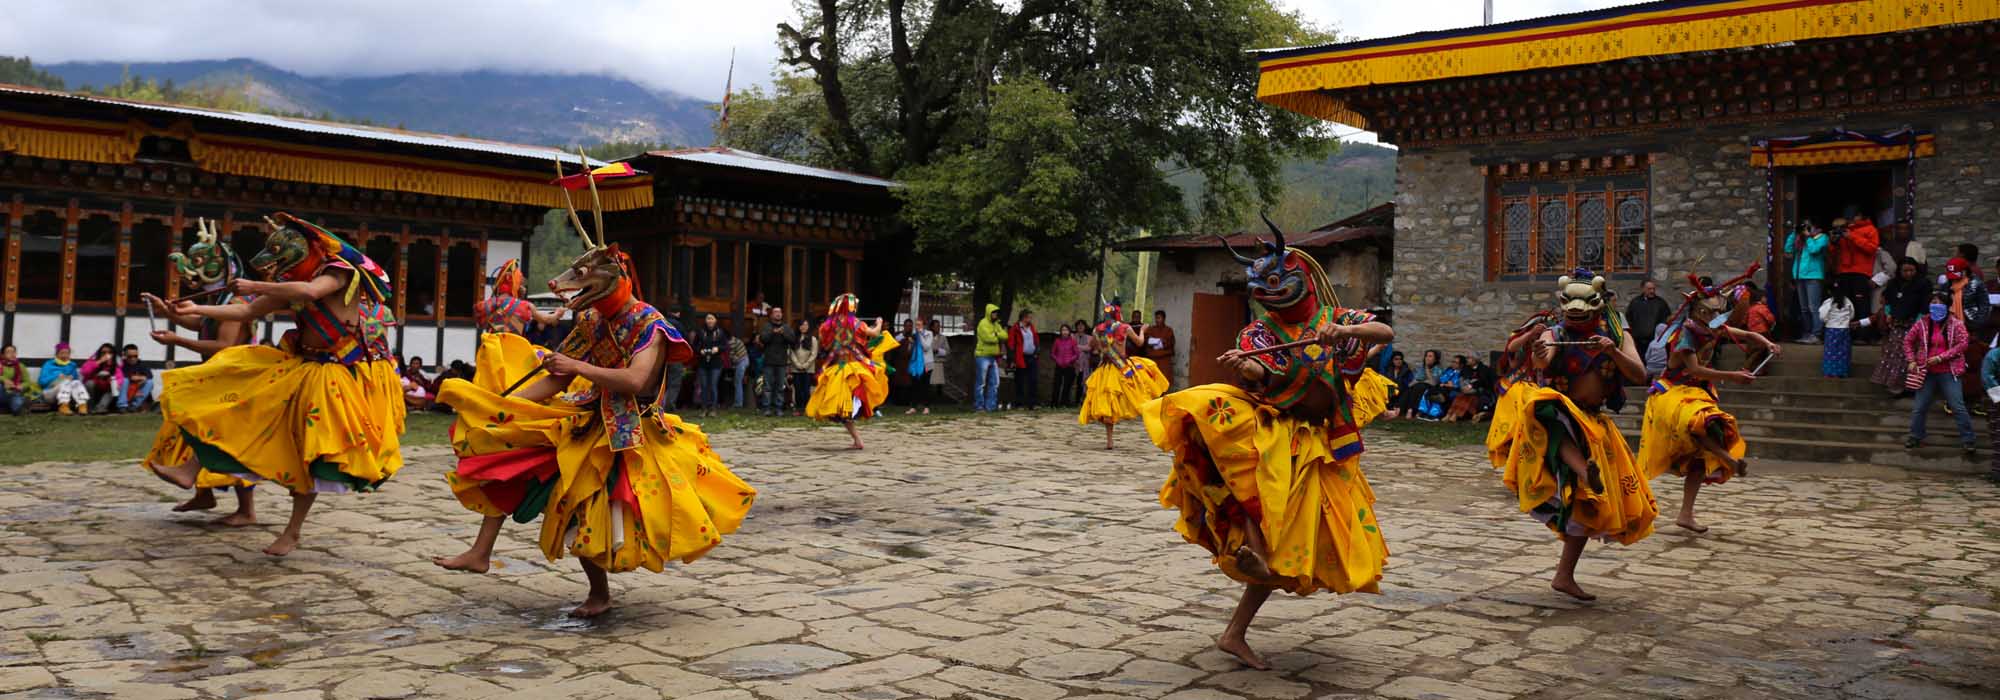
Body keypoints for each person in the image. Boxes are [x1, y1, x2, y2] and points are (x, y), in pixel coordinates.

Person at [432, 235, 754, 618]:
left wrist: (578, 368)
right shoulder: (591, 320)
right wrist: (506, 407)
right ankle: (481, 552)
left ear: (611, 277)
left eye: (580, 277)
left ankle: (599, 593)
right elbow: (558, 376)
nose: (563, 285)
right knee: (514, 455)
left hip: (630, 429)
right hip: (586, 415)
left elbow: (636, 381)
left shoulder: (650, 323)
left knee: (587, 508)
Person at [1146, 227, 1391, 670]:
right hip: (1280, 434)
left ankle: (1235, 628)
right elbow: (1263, 372)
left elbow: (1384, 331)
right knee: (1261, 504)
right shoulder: (1258, 333)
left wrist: (1342, 331)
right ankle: (1250, 572)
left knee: (1297, 542)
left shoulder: (1335, 318)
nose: (1265, 292)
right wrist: (1252, 370)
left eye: (1275, 281)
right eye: (1260, 287)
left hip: (1322, 443)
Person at [151, 212, 403, 557]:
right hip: (302, 365)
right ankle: (191, 467)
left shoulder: (338, 271)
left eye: (280, 262)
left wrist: (255, 286)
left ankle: (292, 531)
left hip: (337, 374)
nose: (275, 270)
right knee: (240, 401)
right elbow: (244, 313)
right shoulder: (288, 285)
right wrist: (194, 310)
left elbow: (311, 291)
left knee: (309, 454)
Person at [1501, 270, 1655, 601]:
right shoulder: (1555, 332)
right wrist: (1539, 348)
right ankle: (1586, 470)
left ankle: (1563, 576)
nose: (1575, 310)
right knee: (1547, 404)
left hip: (1595, 422)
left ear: (1599, 305)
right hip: (1560, 420)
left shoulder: (1616, 333)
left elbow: (1640, 374)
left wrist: (1613, 351)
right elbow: (1544, 359)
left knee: (1586, 505)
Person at [1639, 267, 1777, 535]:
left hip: (1698, 392)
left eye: (1717, 312)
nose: (1715, 317)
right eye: (1710, 312)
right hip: (1674, 392)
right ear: (1697, 311)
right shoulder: (1686, 335)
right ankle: (1728, 458)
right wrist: (1733, 376)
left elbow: (1746, 334)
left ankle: (1685, 514)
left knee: (1699, 459)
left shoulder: (1712, 329)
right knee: (1699, 423)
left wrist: (1767, 343)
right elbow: (1695, 370)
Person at [140, 224, 261, 524]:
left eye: (197, 264)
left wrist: (175, 340)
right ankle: (203, 492)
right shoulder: (216, 302)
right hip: (216, 378)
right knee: (188, 427)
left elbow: (222, 345)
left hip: (235, 382)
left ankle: (246, 511)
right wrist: (169, 314)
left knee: (226, 440)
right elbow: (201, 325)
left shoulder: (236, 303)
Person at [1079, 299, 1169, 449]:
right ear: (1117, 313)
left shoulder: (1097, 330)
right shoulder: (1125, 327)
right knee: (1140, 394)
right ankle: (1155, 425)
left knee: (1108, 405)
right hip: (1123, 368)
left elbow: (1092, 346)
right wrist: (1143, 330)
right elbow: (1140, 342)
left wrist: (1103, 346)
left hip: (1106, 369)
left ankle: (1109, 441)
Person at [806, 294, 892, 449]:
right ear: (850, 306)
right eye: (855, 304)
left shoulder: (827, 325)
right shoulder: (857, 323)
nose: (856, 307)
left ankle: (857, 439)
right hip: (853, 369)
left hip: (837, 370)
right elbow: (874, 334)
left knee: (843, 408)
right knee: (848, 406)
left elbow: (822, 340)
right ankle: (858, 440)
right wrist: (878, 323)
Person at [1902, 291, 1978, 461]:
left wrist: (1941, 357)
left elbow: (1963, 344)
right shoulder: (1922, 323)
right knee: (1919, 407)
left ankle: (1969, 440)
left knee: (1957, 406)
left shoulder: (1956, 324)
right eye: (1933, 302)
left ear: (1947, 306)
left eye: (1939, 302)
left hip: (1949, 371)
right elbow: (1907, 341)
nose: (1935, 305)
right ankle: (1915, 436)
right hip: (1926, 371)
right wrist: (1911, 359)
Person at [1488, 311, 1555, 469]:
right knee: (1515, 427)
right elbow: (1512, 350)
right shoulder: (1520, 339)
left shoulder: (1553, 340)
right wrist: (1531, 334)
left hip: (1541, 390)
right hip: (1517, 388)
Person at [1873, 258, 1932, 396]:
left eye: (1912, 270)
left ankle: (1911, 386)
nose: (1909, 273)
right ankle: (1895, 384)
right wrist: (1888, 313)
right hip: (1897, 324)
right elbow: (1887, 300)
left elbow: (1925, 305)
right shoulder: (1894, 284)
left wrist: (1918, 323)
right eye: (1905, 271)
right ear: (1900, 271)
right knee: (1895, 354)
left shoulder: (1923, 284)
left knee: (1911, 355)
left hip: (1914, 323)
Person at [474, 259, 562, 335]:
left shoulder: (488, 304)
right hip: (513, 350)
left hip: (492, 349)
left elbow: (480, 322)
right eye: (520, 283)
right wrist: (557, 313)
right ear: (516, 285)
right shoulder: (526, 306)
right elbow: (545, 319)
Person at [1831, 216, 1879, 341]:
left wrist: (1852, 237)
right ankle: (1846, 335)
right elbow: (1832, 253)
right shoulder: (1843, 231)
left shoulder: (1870, 229)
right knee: (1844, 305)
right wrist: (1833, 241)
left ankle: (1863, 336)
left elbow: (1871, 248)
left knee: (1861, 305)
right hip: (1842, 272)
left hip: (1861, 272)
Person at [1784, 224, 1830, 343]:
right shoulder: (1801, 240)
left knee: (1813, 307)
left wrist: (1808, 237)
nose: (1807, 230)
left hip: (1814, 276)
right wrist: (1794, 234)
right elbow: (1788, 250)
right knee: (1804, 308)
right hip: (1800, 276)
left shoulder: (1822, 238)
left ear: (1819, 228)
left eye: (1810, 227)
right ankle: (1807, 333)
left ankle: (1816, 334)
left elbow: (1814, 250)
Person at [757, 307, 796, 417]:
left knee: (780, 386)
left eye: (780, 312)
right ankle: (767, 408)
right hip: (769, 360)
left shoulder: (786, 327)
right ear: (771, 315)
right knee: (768, 386)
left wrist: (783, 333)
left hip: (782, 361)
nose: (778, 314)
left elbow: (793, 340)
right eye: (775, 312)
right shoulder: (767, 326)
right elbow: (763, 339)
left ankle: (778, 408)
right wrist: (773, 332)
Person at [691, 314, 727, 417]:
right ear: (705, 320)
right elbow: (694, 345)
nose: (709, 320)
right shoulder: (701, 331)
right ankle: (704, 409)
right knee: (703, 386)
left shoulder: (720, 332)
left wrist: (718, 349)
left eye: (712, 318)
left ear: (715, 320)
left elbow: (725, 346)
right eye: (708, 318)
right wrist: (700, 350)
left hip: (716, 363)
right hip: (703, 362)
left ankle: (713, 409)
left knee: (713, 385)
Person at [900, 318, 937, 415]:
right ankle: (913, 407)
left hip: (927, 363)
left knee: (926, 385)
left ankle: (926, 407)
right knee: (915, 385)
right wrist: (911, 343)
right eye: (916, 325)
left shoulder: (929, 334)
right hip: (916, 363)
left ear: (924, 326)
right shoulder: (914, 335)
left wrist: (920, 335)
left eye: (919, 325)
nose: (917, 327)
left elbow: (926, 347)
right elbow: (909, 350)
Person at [1625, 280, 1673, 353]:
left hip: (1655, 341)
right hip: (1638, 342)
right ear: (1643, 289)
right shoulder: (1635, 302)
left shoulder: (1661, 303)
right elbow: (1629, 318)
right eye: (1649, 289)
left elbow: (1666, 319)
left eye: (1653, 289)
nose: (1652, 291)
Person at [973, 304, 1005, 412]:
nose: (995, 314)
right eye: (994, 312)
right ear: (989, 313)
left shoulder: (996, 324)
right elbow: (988, 339)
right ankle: (979, 406)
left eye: (996, 312)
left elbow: (1005, 335)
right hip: (982, 356)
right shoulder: (983, 324)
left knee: (995, 382)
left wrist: (995, 334)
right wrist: (997, 335)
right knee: (981, 382)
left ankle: (990, 406)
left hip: (993, 357)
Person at [40, 343, 86, 414]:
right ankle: (63, 406)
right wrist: (57, 376)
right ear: (57, 354)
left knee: (77, 383)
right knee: (65, 382)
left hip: (68, 394)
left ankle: (82, 405)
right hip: (50, 393)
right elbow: (42, 382)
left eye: (67, 353)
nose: (64, 355)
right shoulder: (48, 364)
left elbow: (76, 384)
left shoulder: (72, 365)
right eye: (62, 353)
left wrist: (72, 378)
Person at [1008, 310, 1040, 410]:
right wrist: (1012, 359)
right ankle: (1019, 404)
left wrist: (1036, 352)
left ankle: (1032, 404)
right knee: (1020, 381)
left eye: (1031, 317)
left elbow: (1036, 340)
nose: (1030, 319)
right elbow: (1011, 344)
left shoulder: (1032, 327)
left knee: (1033, 380)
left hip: (1032, 357)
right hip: (1020, 357)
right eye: (1029, 317)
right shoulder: (1015, 328)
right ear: (1023, 318)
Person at [1398, 349, 1445, 418]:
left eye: (1430, 356)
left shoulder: (1438, 369)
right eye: (1426, 356)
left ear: (1435, 359)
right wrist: (1421, 381)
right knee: (1409, 389)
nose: (1427, 358)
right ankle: (1399, 409)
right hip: (1418, 387)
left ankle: (1410, 410)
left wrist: (1427, 368)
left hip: (1431, 389)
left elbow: (1432, 383)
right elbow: (1412, 383)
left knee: (1420, 386)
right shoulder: (1421, 369)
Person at [1742, 287, 1777, 375]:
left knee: (1751, 351)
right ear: (1761, 298)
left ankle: (1756, 369)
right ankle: (1747, 368)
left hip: (1750, 333)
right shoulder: (1762, 308)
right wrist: (1773, 323)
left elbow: (1744, 320)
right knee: (1760, 352)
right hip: (1761, 333)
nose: (1767, 300)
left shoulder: (1750, 308)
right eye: (1766, 298)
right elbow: (1770, 319)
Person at [1820, 293, 1855, 378]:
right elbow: (1852, 315)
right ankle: (1841, 372)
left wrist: (1828, 321)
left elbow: (1822, 316)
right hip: (1844, 329)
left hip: (1831, 329)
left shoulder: (1828, 302)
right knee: (1843, 351)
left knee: (1830, 352)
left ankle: (1829, 372)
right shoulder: (1848, 301)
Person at [81, 343, 122, 415]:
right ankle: (90, 407)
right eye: (104, 352)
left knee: (114, 385)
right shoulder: (93, 361)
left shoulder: (115, 365)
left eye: (110, 352)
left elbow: (120, 377)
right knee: (90, 383)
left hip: (105, 393)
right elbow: (84, 372)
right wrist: (99, 362)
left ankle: (101, 407)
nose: (107, 354)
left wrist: (117, 383)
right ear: (99, 353)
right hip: (93, 392)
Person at [788, 318, 817, 416]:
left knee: (806, 389)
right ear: (798, 327)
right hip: (796, 368)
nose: (803, 327)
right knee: (797, 389)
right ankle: (799, 408)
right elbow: (791, 352)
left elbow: (814, 354)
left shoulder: (813, 339)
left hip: (808, 369)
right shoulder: (794, 338)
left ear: (808, 327)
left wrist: (805, 365)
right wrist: (797, 364)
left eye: (806, 325)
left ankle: (807, 408)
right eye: (802, 325)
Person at [1141, 309, 1176, 390]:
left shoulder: (1168, 330)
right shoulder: (1151, 329)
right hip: (1153, 359)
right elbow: (1147, 340)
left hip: (1164, 360)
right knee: (1153, 380)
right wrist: (1159, 341)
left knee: (1164, 380)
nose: (1157, 320)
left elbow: (1169, 343)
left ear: (1164, 319)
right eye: (1156, 318)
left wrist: (1159, 342)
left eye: (1159, 318)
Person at [116, 344, 154, 413]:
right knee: (124, 380)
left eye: (135, 356)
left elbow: (150, 376)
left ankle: (134, 406)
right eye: (130, 357)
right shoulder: (121, 364)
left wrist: (141, 379)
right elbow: (123, 376)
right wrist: (140, 378)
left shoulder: (141, 364)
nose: (133, 359)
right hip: (123, 391)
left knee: (150, 382)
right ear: (124, 355)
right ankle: (122, 406)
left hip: (136, 391)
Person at [1051, 324, 1080, 411]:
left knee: (1067, 386)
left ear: (1069, 331)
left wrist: (1070, 360)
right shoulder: (1057, 341)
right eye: (1063, 330)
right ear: (1060, 332)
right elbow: (1052, 353)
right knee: (1057, 384)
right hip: (1059, 366)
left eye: (1066, 330)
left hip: (1069, 366)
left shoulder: (1073, 341)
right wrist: (1057, 360)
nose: (1064, 332)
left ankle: (1064, 403)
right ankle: (1054, 404)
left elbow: (1077, 353)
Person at [1982, 341, 2000, 482]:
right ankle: (1997, 472)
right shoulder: (1994, 354)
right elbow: (1987, 376)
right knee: (1998, 437)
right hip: (1996, 400)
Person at [0, 345, 32, 415]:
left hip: (14, 392)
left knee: (16, 409)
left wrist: (21, 386)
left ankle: (24, 401)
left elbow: (28, 382)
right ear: (2, 355)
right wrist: (4, 380)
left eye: (13, 352)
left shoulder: (20, 366)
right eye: (8, 352)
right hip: (2, 392)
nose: (12, 354)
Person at [730, 332, 752, 410]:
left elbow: (732, 357)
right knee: (738, 382)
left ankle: (738, 403)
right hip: (744, 360)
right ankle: (739, 403)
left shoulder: (731, 342)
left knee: (737, 382)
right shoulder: (734, 339)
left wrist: (731, 365)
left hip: (742, 362)